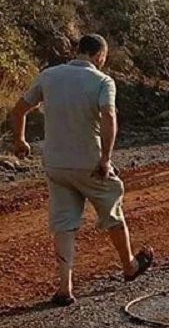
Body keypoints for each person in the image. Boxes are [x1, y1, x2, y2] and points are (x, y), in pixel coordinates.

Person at [11, 34, 153, 306]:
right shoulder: (102, 81)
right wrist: (106, 159)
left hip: (56, 164)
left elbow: (18, 110)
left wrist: (20, 141)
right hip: (89, 164)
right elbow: (109, 116)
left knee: (64, 224)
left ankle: (65, 287)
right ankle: (129, 265)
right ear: (99, 55)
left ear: (78, 51)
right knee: (112, 211)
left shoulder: (49, 75)